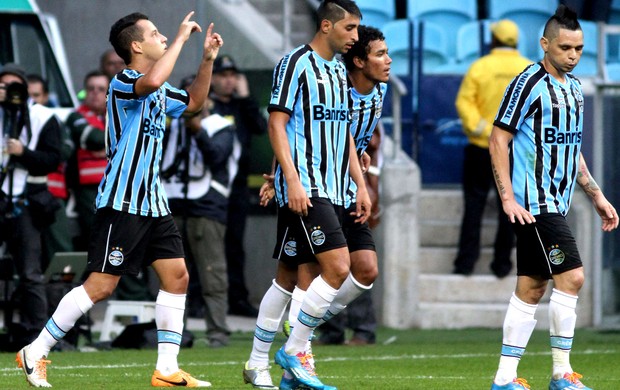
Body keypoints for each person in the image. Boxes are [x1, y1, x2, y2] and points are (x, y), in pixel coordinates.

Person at [15, 11, 223, 388]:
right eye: (156, 34)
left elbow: (193, 102)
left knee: (177, 277)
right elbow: (153, 80)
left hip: (153, 202)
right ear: (136, 45)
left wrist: (206, 60)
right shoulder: (124, 81)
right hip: (122, 200)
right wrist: (180, 39)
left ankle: (166, 369)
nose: (163, 38)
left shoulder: (157, 88)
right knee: (101, 286)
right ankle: (36, 350)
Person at [243, 21, 392, 390]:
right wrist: (278, 177)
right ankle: (283, 358)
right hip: (309, 189)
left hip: (342, 190)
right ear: (358, 61)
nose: (388, 61)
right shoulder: (316, 73)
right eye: (380, 54)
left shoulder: (374, 94)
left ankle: (297, 335)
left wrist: (362, 181)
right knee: (301, 276)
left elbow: (346, 140)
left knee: (364, 270)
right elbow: (289, 126)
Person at [488, 5, 619, 390]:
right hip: (536, 204)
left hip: (557, 202)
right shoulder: (527, 83)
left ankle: (504, 379)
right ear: (544, 44)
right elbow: (499, 139)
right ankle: (562, 373)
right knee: (573, 277)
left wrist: (596, 195)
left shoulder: (575, 89)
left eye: (579, 48)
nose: (573, 55)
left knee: (531, 288)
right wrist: (509, 199)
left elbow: (571, 148)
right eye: (565, 48)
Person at [162, 75, 240, 348]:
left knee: (212, 273)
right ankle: (174, 334)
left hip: (206, 207)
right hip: (171, 206)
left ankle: (217, 332)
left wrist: (196, 129)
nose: (191, 102)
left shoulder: (221, 126)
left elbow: (218, 158)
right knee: (171, 275)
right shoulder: (168, 126)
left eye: (197, 94)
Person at [452, 19, 532, 278]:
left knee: (473, 205)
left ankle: (465, 265)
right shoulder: (529, 69)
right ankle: (502, 265)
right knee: (511, 209)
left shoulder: (480, 66)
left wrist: (485, 131)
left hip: (480, 148)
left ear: (494, 40)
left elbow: (464, 103)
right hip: (514, 150)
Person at [0, 63, 63, 343]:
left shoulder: (43, 117)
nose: (8, 91)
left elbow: (52, 160)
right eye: (2, 86)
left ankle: (37, 336)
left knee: (29, 271)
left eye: (14, 86)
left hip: (27, 200)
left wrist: (22, 153)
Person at [208, 54, 267, 317]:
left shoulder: (242, 106)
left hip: (238, 188)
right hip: (209, 186)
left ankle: (238, 299)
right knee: (207, 245)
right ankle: (202, 300)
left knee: (234, 245)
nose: (229, 81)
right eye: (223, 75)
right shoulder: (207, 105)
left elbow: (260, 126)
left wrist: (245, 98)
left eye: (233, 75)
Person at [65, 70, 109, 250]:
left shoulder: (118, 115)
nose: (95, 93)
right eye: (90, 89)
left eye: (100, 89)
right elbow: (95, 138)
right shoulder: (76, 116)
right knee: (100, 237)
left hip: (117, 186)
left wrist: (104, 148)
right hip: (89, 190)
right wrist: (116, 146)